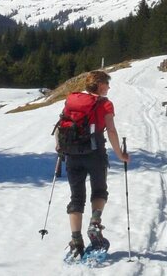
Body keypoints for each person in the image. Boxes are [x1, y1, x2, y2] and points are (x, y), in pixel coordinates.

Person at [57, 70, 129, 259]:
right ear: (99, 85)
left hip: (72, 153)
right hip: (95, 153)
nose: (109, 87)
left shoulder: (72, 99)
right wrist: (120, 154)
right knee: (99, 191)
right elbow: (111, 131)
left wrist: (60, 148)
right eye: (106, 84)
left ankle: (76, 240)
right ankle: (95, 223)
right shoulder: (104, 104)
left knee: (76, 198)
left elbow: (61, 123)